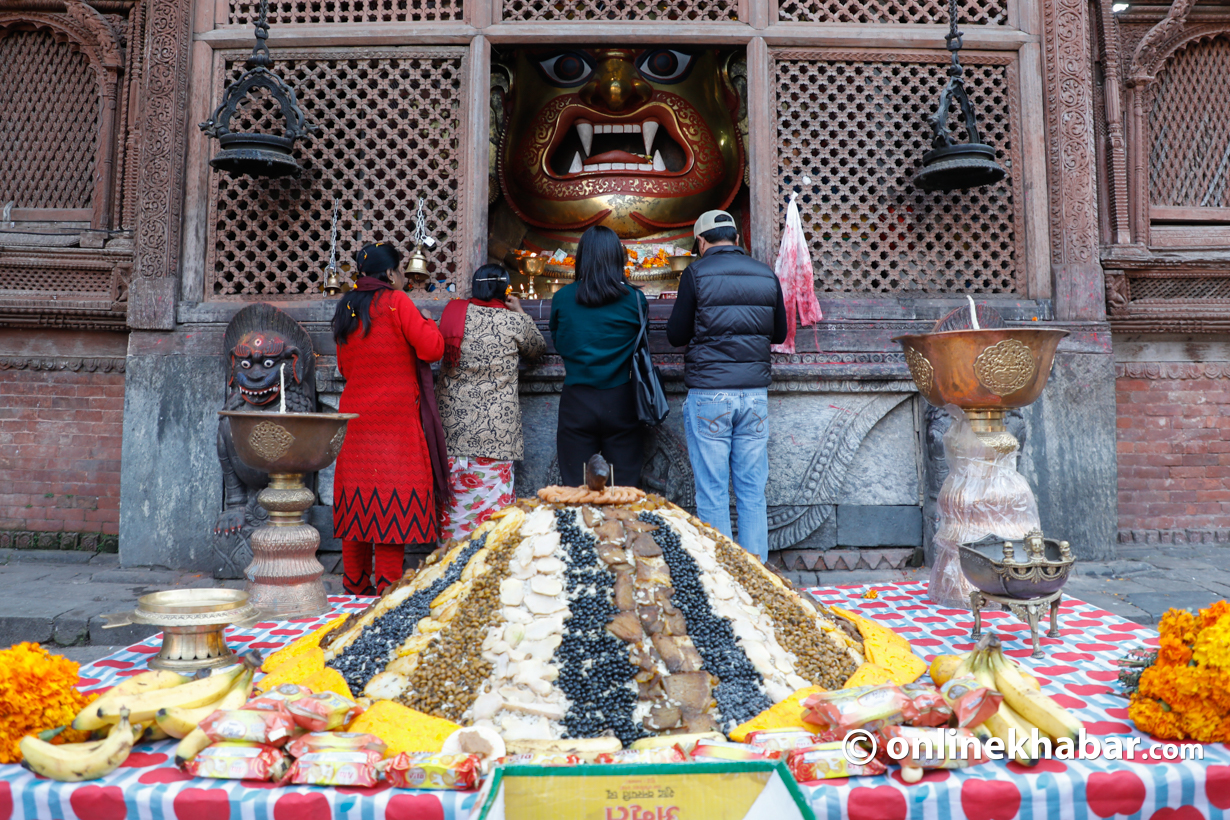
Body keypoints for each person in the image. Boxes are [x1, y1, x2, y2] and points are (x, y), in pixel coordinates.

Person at [666, 210, 788, 562]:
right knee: (752, 492)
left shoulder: (695, 273)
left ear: (701, 241)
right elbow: (778, 334)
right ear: (736, 239)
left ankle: (722, 577)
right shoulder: (766, 274)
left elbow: (676, 334)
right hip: (753, 396)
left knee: (713, 492)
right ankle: (758, 576)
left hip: (710, 395)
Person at [330, 242, 446, 595]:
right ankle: (387, 590)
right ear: (392, 273)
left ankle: (353, 587)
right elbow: (432, 349)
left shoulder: (346, 305)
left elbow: (344, 366)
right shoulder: (398, 302)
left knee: (358, 501)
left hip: (355, 419)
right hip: (394, 422)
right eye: (399, 271)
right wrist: (428, 323)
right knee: (390, 501)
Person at [435, 264, 546, 542]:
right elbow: (537, 350)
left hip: (453, 431)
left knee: (455, 509)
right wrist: (519, 310)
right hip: (496, 435)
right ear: (503, 290)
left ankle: (449, 564)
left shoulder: (453, 315)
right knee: (494, 519)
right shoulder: (512, 321)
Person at [549, 225, 648, 487]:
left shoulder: (562, 298)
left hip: (576, 400)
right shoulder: (636, 300)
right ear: (618, 257)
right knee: (624, 491)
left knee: (577, 488)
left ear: (582, 257)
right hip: (622, 399)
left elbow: (559, 342)